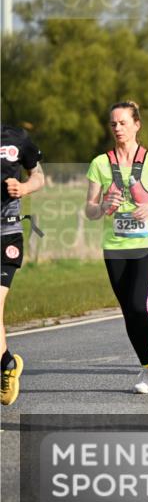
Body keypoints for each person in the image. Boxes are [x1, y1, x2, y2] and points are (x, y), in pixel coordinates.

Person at [85, 101, 148, 393]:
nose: (117, 128)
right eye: (113, 124)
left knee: (140, 304)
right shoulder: (100, 163)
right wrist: (102, 206)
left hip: (147, 245)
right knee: (128, 311)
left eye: (123, 122)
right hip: (114, 247)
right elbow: (89, 209)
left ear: (137, 124)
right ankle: (147, 371)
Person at [0, 124, 44, 405]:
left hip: (6, 233)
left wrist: (24, 187)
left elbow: (38, 175)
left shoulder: (16, 137)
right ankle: (6, 362)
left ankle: (6, 367)